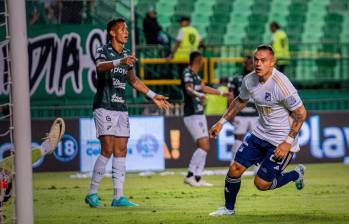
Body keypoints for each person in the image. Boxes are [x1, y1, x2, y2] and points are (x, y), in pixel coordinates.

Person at [208, 45, 307, 216]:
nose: (258, 64)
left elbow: (301, 113)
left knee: (261, 184)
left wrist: (287, 143)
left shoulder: (281, 85)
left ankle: (296, 174)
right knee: (235, 169)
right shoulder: (249, 80)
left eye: (263, 60)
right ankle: (228, 209)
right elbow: (240, 101)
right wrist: (221, 122)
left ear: (272, 63)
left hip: (281, 141)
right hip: (260, 133)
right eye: (256, 59)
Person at [84, 18, 171, 208]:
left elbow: (134, 81)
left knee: (121, 150)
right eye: (122, 29)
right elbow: (100, 67)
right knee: (107, 149)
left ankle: (118, 197)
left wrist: (153, 95)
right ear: (112, 33)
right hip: (104, 104)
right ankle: (92, 193)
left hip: (121, 107)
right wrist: (120, 61)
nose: (126, 32)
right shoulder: (103, 50)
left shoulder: (126, 55)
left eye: (126, 29)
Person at [182, 51, 232, 187]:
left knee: (206, 146)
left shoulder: (196, 76)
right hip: (191, 114)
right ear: (198, 60)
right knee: (204, 145)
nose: (203, 61)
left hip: (199, 113)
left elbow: (204, 87)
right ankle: (190, 175)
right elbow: (188, 89)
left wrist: (221, 93)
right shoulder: (187, 72)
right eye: (202, 59)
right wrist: (199, 94)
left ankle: (198, 177)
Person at [228, 56, 258, 161]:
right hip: (240, 114)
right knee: (238, 140)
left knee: (258, 141)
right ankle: (233, 164)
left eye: (251, 63)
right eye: (248, 63)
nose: (249, 65)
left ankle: (257, 169)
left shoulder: (258, 78)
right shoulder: (236, 79)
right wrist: (230, 113)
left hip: (255, 115)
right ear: (244, 64)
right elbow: (230, 96)